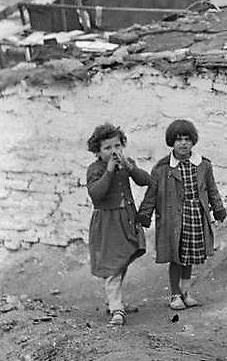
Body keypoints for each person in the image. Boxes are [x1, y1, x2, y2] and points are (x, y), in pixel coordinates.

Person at [137, 119, 227, 311]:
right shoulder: (162, 169)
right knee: (176, 257)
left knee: (190, 256)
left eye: (187, 139)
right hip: (173, 219)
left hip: (196, 215)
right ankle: (175, 295)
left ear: (193, 141)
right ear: (172, 142)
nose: (183, 143)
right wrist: (145, 214)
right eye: (178, 140)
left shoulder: (203, 165)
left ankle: (186, 292)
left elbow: (212, 190)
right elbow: (151, 194)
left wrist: (218, 208)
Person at [86, 123, 150, 326]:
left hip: (126, 219)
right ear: (97, 151)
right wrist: (109, 172)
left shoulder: (126, 163)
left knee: (122, 260)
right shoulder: (95, 169)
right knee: (114, 264)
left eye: (117, 146)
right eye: (107, 148)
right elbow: (97, 195)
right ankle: (116, 308)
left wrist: (130, 168)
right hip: (108, 222)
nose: (114, 151)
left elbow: (144, 180)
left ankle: (116, 299)